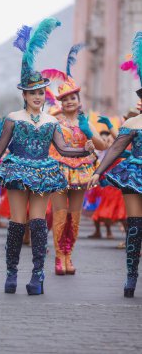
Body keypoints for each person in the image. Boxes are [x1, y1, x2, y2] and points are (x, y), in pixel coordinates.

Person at [0, 18, 94, 296]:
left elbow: (64, 149)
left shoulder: (50, 123)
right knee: (18, 222)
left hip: (43, 172)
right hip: (18, 169)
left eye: (41, 92)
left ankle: (37, 275)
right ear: (25, 94)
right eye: (33, 93)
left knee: (39, 222)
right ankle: (11, 273)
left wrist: (85, 152)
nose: (38, 97)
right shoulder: (12, 119)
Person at [42, 44, 106, 276]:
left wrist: (89, 135)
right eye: (65, 99)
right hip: (59, 170)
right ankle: (59, 257)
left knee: (74, 215)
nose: (69, 102)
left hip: (81, 171)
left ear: (79, 100)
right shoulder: (55, 122)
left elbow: (102, 145)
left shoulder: (85, 122)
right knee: (59, 212)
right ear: (60, 102)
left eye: (73, 98)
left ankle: (69, 254)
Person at [88, 30, 142, 298]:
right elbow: (115, 149)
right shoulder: (132, 124)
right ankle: (131, 277)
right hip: (135, 174)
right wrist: (98, 171)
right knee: (135, 225)